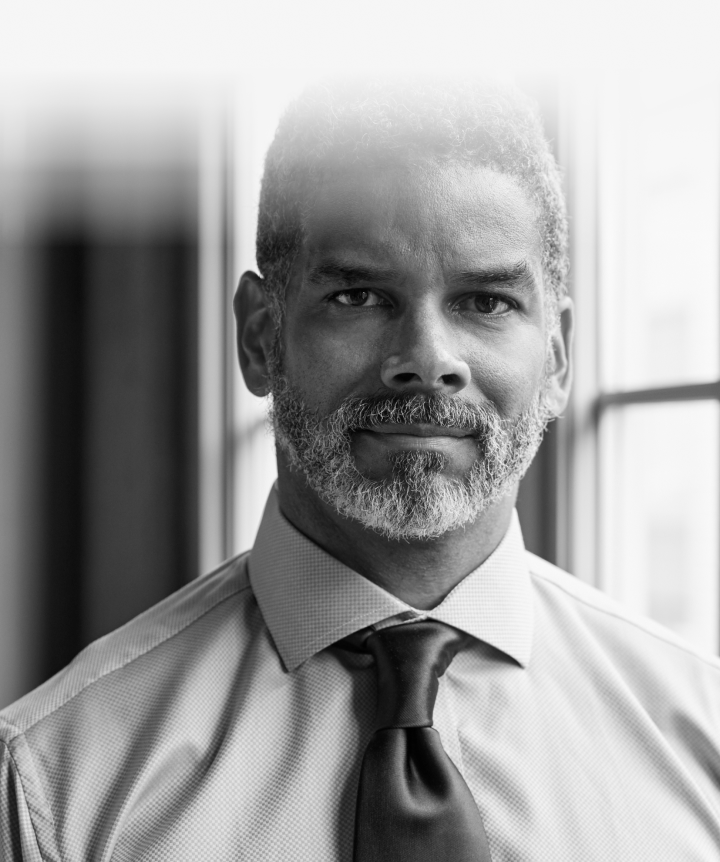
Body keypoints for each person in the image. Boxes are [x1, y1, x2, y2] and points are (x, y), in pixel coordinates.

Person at [2, 78, 720, 862]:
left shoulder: (704, 736)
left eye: (484, 302)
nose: (428, 361)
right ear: (259, 337)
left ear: (557, 356)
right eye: (360, 295)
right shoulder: (54, 783)